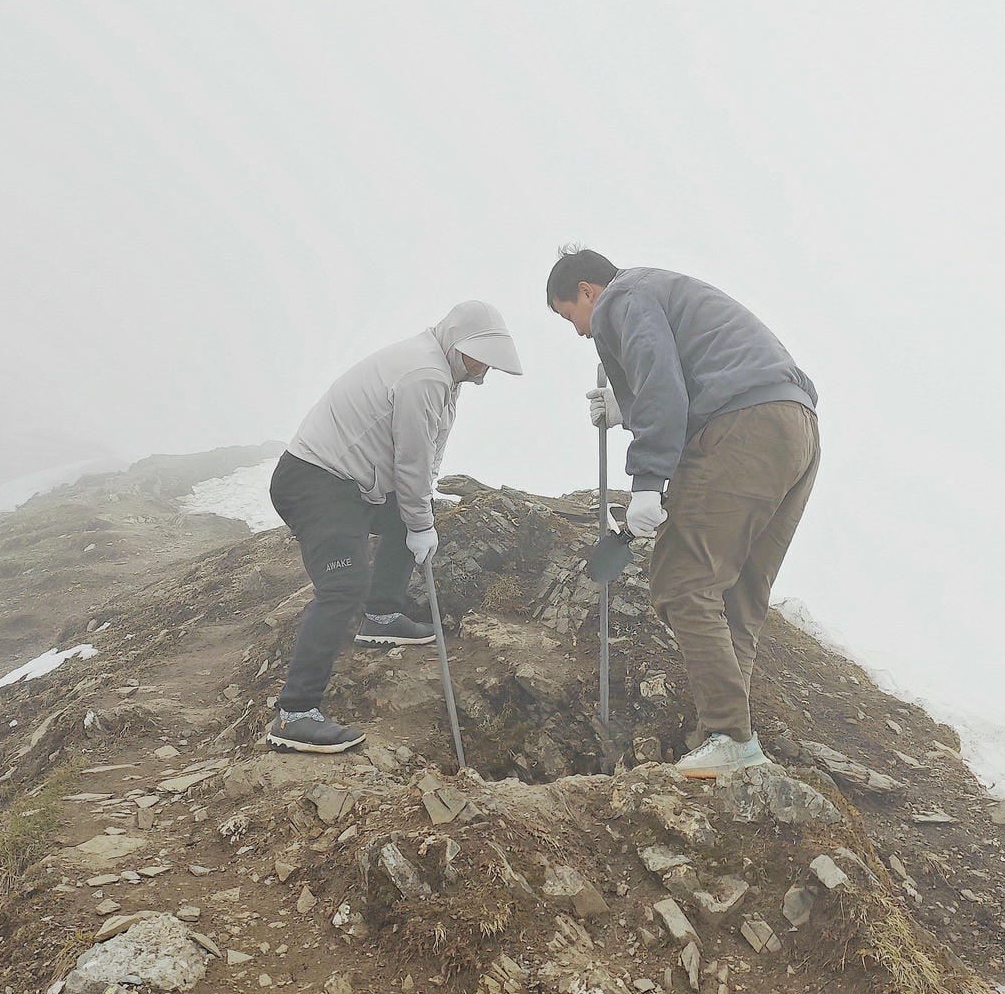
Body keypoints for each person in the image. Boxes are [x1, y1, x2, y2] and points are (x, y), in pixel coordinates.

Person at [546, 248, 819, 777]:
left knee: (682, 581)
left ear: (586, 291)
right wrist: (630, 408)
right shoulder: (664, 293)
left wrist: (647, 482)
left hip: (745, 426)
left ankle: (730, 738)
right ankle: (721, 741)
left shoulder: (623, 297)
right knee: (737, 593)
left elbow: (659, 378)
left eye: (568, 316)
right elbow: (682, 373)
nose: (578, 331)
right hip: (795, 428)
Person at [266, 301, 522, 753]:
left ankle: (381, 616)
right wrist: (418, 519)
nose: (483, 368)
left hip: (347, 483)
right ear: (456, 343)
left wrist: (417, 516)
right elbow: (412, 459)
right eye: (477, 356)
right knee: (343, 585)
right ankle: (295, 715)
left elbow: (426, 453)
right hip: (316, 481)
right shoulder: (424, 373)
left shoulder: (439, 367)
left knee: (409, 514)